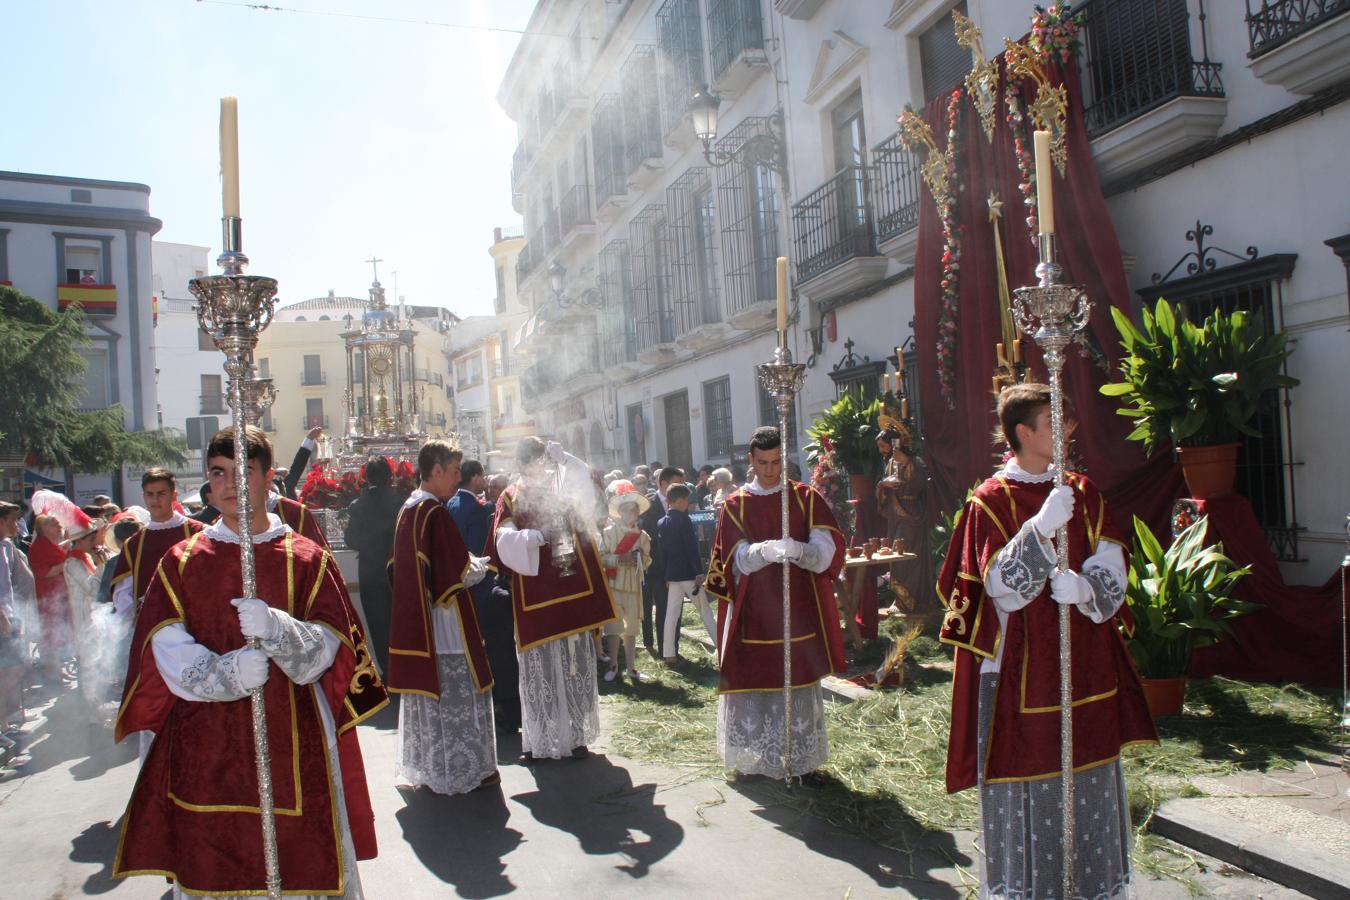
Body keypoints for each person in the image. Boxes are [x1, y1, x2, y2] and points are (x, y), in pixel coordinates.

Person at [113, 425, 387, 897]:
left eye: (243, 471)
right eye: (218, 473)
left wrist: (279, 629)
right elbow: (165, 647)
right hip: (206, 745)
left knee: (300, 864)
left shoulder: (307, 560)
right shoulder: (182, 561)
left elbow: (327, 650)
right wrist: (224, 674)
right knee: (214, 867)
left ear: (267, 479)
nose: (230, 484)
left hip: (294, 742)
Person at [938, 383, 1157, 899]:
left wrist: (1085, 587)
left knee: (1088, 776)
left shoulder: (1084, 491)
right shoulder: (990, 501)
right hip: (1018, 673)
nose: (1069, 431)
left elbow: (1113, 569)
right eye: (1054, 422)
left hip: (1085, 666)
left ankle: (1090, 885)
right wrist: (1040, 529)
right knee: (1028, 776)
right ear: (1023, 433)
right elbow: (997, 590)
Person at [704, 426, 846, 779]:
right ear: (751, 461)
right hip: (753, 612)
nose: (770, 470)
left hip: (796, 610)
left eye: (777, 461)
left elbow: (826, 553)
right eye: (763, 462)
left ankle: (800, 760)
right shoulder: (735, 505)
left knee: (796, 682)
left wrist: (801, 551)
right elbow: (733, 561)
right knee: (755, 682)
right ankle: (754, 759)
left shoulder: (804, 497)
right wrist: (764, 551)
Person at [489, 437, 617, 761]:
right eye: (535, 462)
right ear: (522, 464)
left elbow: (592, 494)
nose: (541, 468)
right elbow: (501, 539)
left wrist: (570, 460)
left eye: (544, 461)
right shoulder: (511, 495)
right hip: (536, 594)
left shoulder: (561, 486)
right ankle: (541, 741)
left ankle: (576, 737)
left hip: (571, 586)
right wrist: (531, 538)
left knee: (574, 663)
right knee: (538, 668)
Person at [387, 441, 497, 795]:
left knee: (434, 701)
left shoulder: (409, 507)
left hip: (423, 618)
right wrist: (481, 566)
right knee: (456, 697)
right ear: (435, 470)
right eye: (452, 472)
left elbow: (402, 566)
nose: (456, 479)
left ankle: (432, 766)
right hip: (447, 622)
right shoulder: (433, 510)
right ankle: (461, 769)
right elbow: (456, 574)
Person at [448, 459, 520, 733]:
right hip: (484, 587)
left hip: (461, 591)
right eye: (484, 478)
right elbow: (484, 552)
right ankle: (508, 708)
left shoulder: (451, 505)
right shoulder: (480, 510)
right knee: (499, 651)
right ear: (475, 478)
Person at [110, 470, 204, 618]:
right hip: (150, 626)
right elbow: (124, 597)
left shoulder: (199, 533)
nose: (155, 500)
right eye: (150, 494)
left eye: (161, 494)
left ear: (174, 496)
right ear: (143, 497)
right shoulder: (134, 544)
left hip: (194, 621)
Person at [343, 456, 404, 675]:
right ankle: (402, 668)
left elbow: (351, 540)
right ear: (390, 476)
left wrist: (370, 545)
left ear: (366, 477)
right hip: (395, 571)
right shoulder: (399, 502)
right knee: (399, 623)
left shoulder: (359, 505)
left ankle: (388, 671)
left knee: (378, 627)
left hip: (369, 572)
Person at [874, 425, 931, 617]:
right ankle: (899, 599)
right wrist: (884, 484)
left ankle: (911, 600)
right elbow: (884, 483)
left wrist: (906, 463)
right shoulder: (890, 462)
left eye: (883, 446)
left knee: (908, 557)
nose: (881, 450)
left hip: (912, 515)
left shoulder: (914, 461)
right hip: (895, 516)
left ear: (893, 444)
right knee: (895, 558)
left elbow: (922, 485)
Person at [599, 481, 650, 682]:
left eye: (634, 511)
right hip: (614, 584)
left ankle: (631, 668)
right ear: (620, 512)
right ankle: (613, 665)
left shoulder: (643, 536)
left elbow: (647, 561)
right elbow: (602, 559)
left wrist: (639, 559)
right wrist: (621, 559)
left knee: (632, 627)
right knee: (614, 627)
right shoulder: (609, 533)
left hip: (634, 586)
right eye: (627, 511)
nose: (632, 514)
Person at [0, 501, 34, 757]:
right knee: (8, 672)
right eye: (11, 520)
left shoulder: (7, 547)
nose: (16, 525)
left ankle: (5, 723)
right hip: (3, 619)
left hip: (9, 618)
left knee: (14, 669)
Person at [639, 466, 685, 659]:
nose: (681, 490)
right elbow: (644, 537)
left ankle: (671, 649)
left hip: (675, 567)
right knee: (653, 606)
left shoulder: (681, 503)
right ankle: (651, 645)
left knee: (673, 609)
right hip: (654, 566)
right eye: (677, 485)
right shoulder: (648, 505)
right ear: (663, 484)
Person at [657, 483, 704, 664]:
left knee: (671, 614)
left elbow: (663, 553)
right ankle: (722, 648)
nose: (687, 503)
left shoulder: (661, 522)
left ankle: (669, 654)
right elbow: (691, 548)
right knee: (705, 613)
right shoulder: (684, 520)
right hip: (689, 574)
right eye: (686, 500)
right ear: (680, 500)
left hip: (672, 575)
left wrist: (666, 575)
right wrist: (698, 571)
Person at [28, 514, 71, 682]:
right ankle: (51, 672)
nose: (59, 527)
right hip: (47, 596)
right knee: (50, 633)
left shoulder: (51, 544)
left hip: (58, 595)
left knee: (58, 633)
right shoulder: (40, 546)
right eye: (55, 524)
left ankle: (56, 670)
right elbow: (44, 572)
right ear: (44, 528)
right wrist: (68, 561)